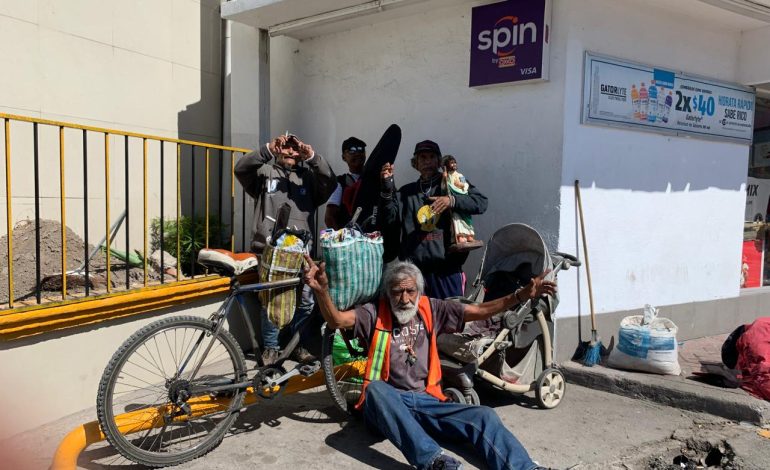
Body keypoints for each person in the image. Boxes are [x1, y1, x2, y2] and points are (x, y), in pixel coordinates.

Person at [303, 255, 556, 470]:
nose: (404, 299)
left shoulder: (431, 308)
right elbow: (336, 320)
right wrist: (322, 291)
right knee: (376, 389)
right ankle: (433, 461)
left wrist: (521, 295)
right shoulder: (373, 313)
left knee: (484, 415)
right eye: (397, 292)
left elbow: (480, 310)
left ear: (419, 291)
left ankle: (526, 467)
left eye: (410, 291)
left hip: (427, 400)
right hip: (387, 405)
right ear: (388, 293)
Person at [234, 133, 336, 365]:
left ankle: (296, 346)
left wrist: (311, 156)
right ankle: (271, 348)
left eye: (294, 149)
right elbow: (241, 169)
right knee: (271, 299)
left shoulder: (309, 178)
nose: (290, 152)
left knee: (305, 301)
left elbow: (330, 181)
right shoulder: (265, 173)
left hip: (302, 250)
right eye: (285, 148)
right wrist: (267, 149)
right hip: (270, 249)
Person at [379, 140, 488, 299]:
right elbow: (389, 220)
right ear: (415, 163)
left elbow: (481, 202)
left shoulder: (451, 182)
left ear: (438, 161)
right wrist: (387, 188)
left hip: (447, 271)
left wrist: (451, 201)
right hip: (414, 275)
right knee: (418, 322)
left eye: (432, 157)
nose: (427, 161)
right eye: (422, 157)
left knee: (449, 321)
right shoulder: (405, 193)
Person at [325, 137, 367, 230]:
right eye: (352, 150)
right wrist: (341, 239)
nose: (357, 153)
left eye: (361, 150)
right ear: (344, 157)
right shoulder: (339, 183)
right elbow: (329, 217)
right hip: (350, 241)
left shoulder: (375, 178)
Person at [441, 155, 481, 249]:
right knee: (457, 219)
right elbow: (444, 189)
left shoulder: (460, 175)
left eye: (455, 162)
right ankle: (461, 236)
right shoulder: (447, 176)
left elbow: (465, 185)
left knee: (466, 218)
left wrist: (461, 185)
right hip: (453, 203)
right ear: (447, 165)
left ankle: (469, 235)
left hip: (462, 199)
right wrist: (444, 179)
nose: (454, 164)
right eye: (451, 163)